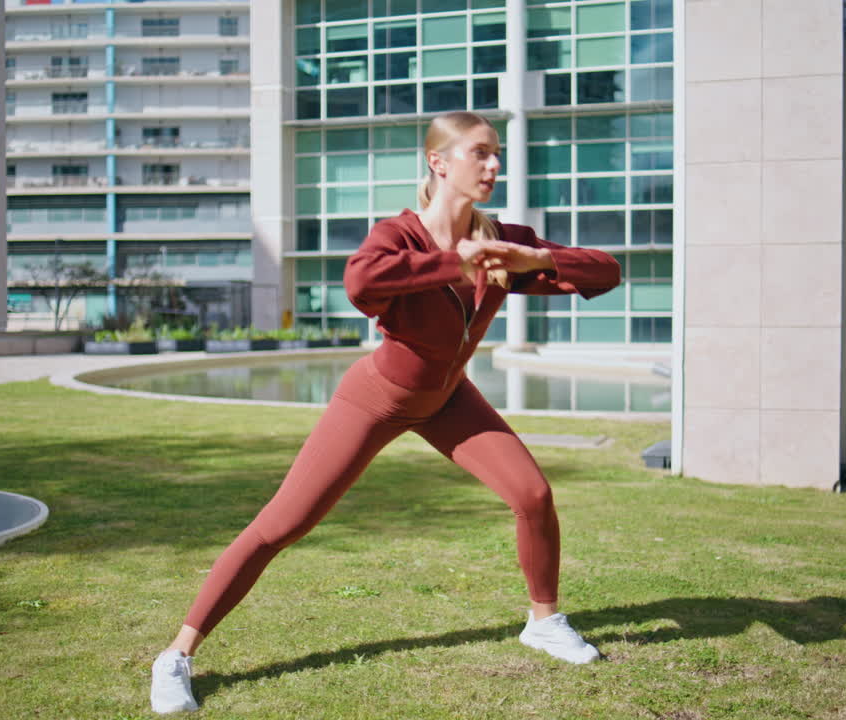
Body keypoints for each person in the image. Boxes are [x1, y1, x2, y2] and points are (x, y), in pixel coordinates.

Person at [151, 111, 622, 714]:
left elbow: (605, 270)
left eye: (496, 153)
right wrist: (458, 263)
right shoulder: (399, 235)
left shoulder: (502, 238)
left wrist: (537, 262)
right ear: (439, 162)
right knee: (282, 525)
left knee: (532, 494)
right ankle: (177, 655)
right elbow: (361, 279)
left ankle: (543, 622)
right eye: (480, 153)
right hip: (377, 398)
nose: (494, 164)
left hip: (449, 398)